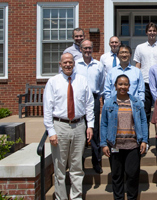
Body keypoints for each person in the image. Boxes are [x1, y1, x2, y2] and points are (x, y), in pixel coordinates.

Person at [43, 53, 94, 200]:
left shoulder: (82, 81)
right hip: (60, 126)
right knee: (59, 167)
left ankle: (76, 196)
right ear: (60, 64)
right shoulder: (53, 82)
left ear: (74, 64)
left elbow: (89, 104)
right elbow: (47, 108)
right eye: (65, 62)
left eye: (70, 62)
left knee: (77, 166)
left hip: (79, 126)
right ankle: (61, 197)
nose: (67, 65)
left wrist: (90, 126)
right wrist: (50, 131)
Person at [100, 74, 148, 200]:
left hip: (133, 145)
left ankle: (132, 198)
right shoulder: (109, 103)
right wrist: (104, 144)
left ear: (129, 86)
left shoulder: (136, 102)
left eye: (125, 84)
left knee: (132, 175)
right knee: (117, 175)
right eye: (120, 84)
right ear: (115, 86)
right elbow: (104, 124)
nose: (123, 86)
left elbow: (143, 121)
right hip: (115, 145)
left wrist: (144, 140)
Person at [75, 39, 105, 174]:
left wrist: (98, 97)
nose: (87, 50)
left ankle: (96, 161)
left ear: (93, 49)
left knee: (95, 131)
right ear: (80, 49)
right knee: (80, 129)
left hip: (93, 99)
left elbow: (102, 84)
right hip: (78, 100)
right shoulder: (75, 65)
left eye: (89, 48)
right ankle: (79, 162)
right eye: (85, 48)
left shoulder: (98, 65)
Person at [134, 22, 157, 126]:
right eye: (150, 30)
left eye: (154, 31)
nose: (152, 33)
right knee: (145, 112)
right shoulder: (140, 47)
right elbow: (137, 65)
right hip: (145, 83)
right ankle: (145, 140)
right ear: (146, 32)